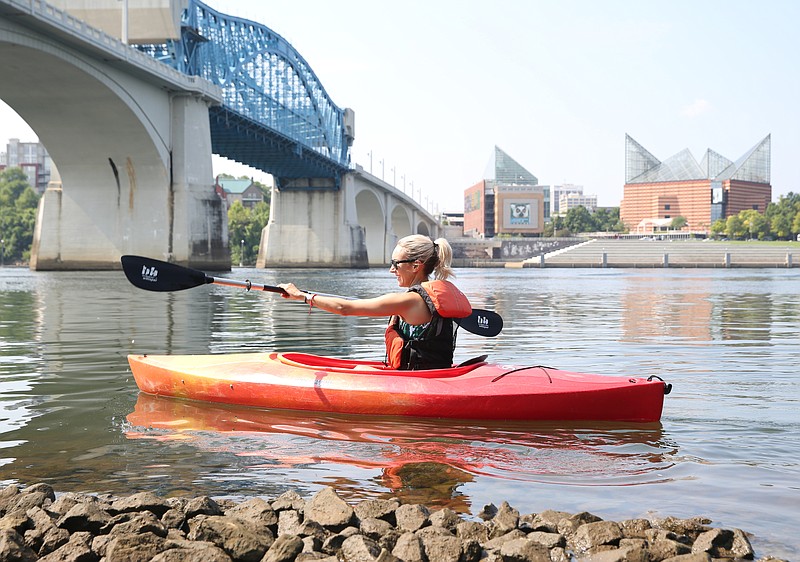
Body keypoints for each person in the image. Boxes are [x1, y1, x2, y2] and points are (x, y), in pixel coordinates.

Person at [279, 235, 472, 370]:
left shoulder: (408, 300)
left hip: (418, 379)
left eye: (396, 263)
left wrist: (302, 296)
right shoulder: (430, 298)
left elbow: (344, 308)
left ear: (415, 266)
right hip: (437, 372)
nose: (391, 269)